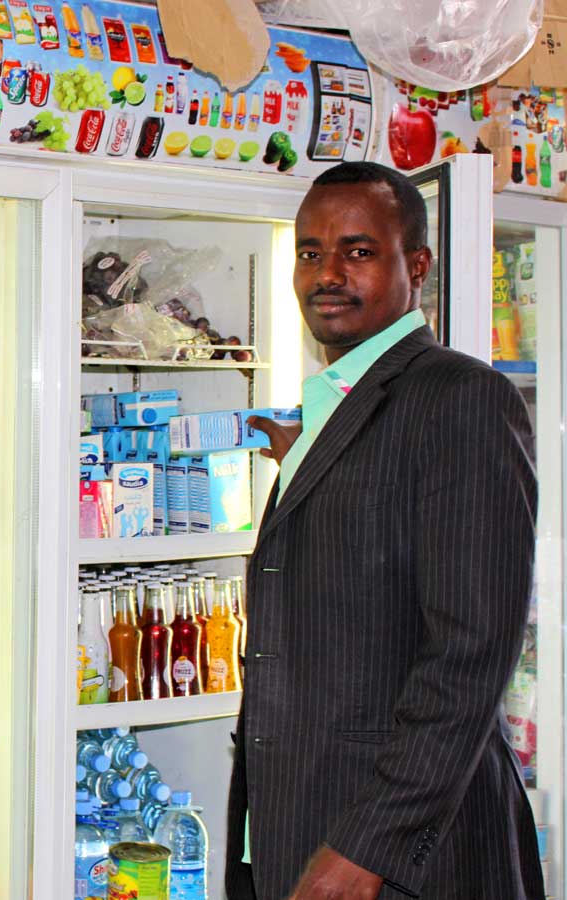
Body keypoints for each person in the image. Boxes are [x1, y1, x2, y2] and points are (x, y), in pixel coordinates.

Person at [225, 161, 544, 900]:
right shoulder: (337, 402)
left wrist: (368, 847)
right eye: (310, 252)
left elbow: (469, 653)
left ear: (417, 267)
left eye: (359, 251)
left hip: (398, 852)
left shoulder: (462, 397)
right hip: (299, 818)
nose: (327, 274)